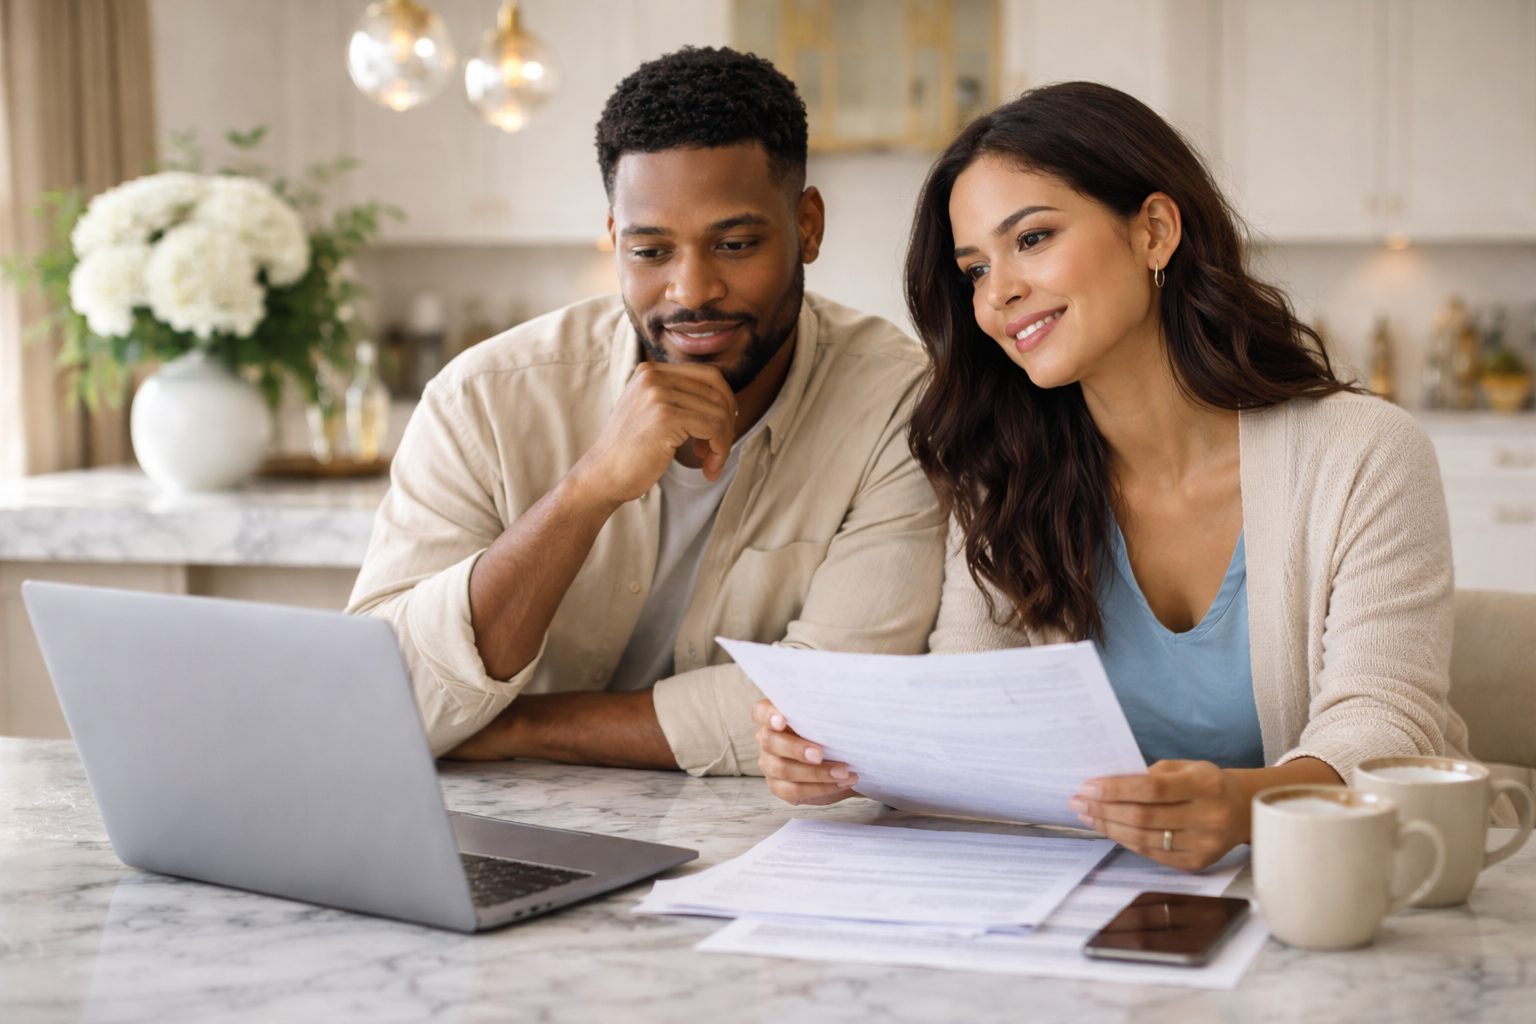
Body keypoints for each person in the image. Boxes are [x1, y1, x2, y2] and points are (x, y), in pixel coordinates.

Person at [753, 82, 1474, 869]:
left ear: (1155, 231)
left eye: (1031, 239)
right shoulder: (1004, 473)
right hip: (1086, 901)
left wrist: (1241, 807)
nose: (998, 296)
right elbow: (979, 717)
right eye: (973, 270)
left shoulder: (1362, 454)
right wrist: (849, 762)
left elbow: (1387, 723)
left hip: (1323, 892)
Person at [347, 47, 944, 775]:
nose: (692, 290)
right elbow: (378, 696)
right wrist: (586, 491)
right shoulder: (483, 398)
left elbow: (839, 700)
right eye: (651, 250)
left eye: (735, 243)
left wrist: (514, 726)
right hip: (494, 826)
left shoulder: (900, 405)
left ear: (808, 226)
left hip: (757, 837)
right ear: (613, 239)